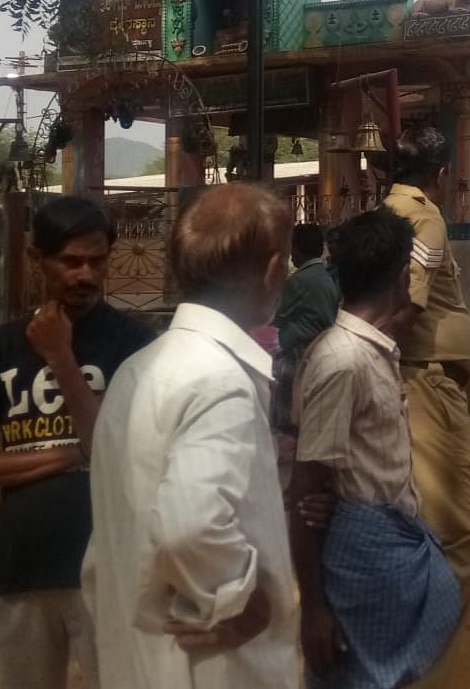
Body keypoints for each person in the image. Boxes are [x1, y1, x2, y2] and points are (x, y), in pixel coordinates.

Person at [85, 184, 295, 689]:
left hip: (137, 661)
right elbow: (190, 526)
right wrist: (243, 601)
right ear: (271, 272)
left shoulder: (137, 371)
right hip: (214, 670)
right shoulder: (218, 379)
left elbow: (102, 551)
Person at [0, 196, 156, 689]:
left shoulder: (135, 343)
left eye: (97, 260)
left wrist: (61, 358)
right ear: (37, 258)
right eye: (70, 261)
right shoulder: (2, 345)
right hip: (20, 566)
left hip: (111, 569)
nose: (85, 274)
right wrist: (73, 454)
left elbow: (124, 454)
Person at [291, 207, 460, 689]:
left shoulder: (369, 349)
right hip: (360, 562)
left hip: (385, 551)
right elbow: (307, 485)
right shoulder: (343, 361)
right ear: (404, 273)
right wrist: (314, 609)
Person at [383, 126, 470, 686]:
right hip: (425, 382)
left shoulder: (385, 212)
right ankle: (417, 662)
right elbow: (410, 300)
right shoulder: (425, 218)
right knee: (466, 534)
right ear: (442, 174)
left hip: (414, 380)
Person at [272, 223, 339, 435]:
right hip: (318, 347)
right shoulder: (325, 276)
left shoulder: (301, 280)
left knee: (289, 413)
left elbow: (277, 314)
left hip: (298, 352)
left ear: (298, 248)